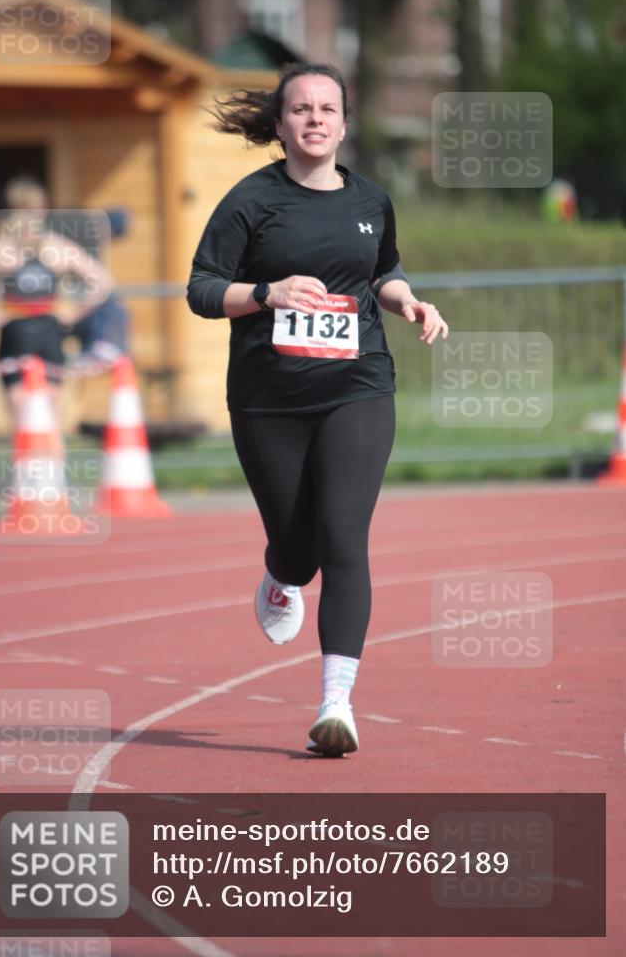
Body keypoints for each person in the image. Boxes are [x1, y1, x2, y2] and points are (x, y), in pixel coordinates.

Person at [187, 63, 448, 757]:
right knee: (299, 551)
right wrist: (267, 293)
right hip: (267, 398)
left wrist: (408, 301)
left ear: (343, 121)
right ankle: (279, 574)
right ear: (278, 125)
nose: (314, 119)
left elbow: (382, 272)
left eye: (326, 108)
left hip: (356, 386)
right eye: (299, 108)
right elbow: (201, 289)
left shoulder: (370, 199)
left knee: (343, 539)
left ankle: (336, 703)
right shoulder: (250, 201)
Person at [0, 176, 113, 457]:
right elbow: (101, 281)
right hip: (48, 331)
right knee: (49, 415)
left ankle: (28, 484)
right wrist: (72, 314)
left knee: (22, 416)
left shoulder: (1, 248)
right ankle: (53, 484)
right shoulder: (57, 247)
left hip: (17, 332)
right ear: (42, 209)